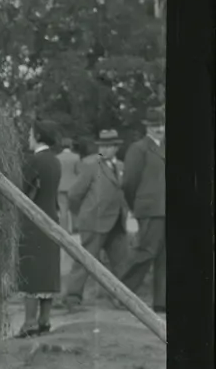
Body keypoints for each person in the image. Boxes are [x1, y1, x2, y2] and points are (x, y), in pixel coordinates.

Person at [63, 128, 130, 309]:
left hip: (117, 222)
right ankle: (72, 298)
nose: (105, 149)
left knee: (122, 262)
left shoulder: (121, 166)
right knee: (85, 261)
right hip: (94, 221)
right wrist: (83, 213)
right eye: (102, 146)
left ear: (116, 148)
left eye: (109, 146)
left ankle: (123, 299)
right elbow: (74, 194)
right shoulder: (92, 166)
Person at [14, 124, 63, 338]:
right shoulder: (55, 161)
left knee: (32, 271)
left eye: (30, 134)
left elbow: (22, 188)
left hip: (33, 221)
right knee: (48, 271)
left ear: (38, 136)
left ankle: (29, 323)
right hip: (51, 218)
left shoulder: (34, 161)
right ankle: (44, 320)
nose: (28, 137)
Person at [118, 106, 166, 316]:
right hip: (149, 209)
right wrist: (137, 206)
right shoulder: (138, 149)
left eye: (162, 124)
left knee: (165, 257)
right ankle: (121, 293)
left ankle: (162, 302)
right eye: (155, 125)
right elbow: (129, 183)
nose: (160, 129)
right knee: (146, 252)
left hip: (166, 208)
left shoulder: (166, 146)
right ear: (147, 127)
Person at [56, 137, 80, 234]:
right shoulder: (76, 157)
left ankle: (64, 230)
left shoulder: (57, 157)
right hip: (73, 186)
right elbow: (78, 171)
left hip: (61, 186)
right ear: (71, 146)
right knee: (74, 208)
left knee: (63, 209)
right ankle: (75, 227)